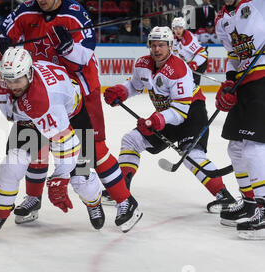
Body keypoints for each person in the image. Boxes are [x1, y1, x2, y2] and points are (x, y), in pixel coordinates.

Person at [0, 48, 141, 239]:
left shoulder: (43, 99)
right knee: (11, 165)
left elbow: (67, 145)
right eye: (8, 80)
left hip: (73, 117)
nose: (12, 86)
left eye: (17, 80)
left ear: (29, 73)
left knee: (80, 176)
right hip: (29, 117)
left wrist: (59, 179)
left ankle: (93, 202)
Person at [0, 0, 140, 229]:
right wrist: (2, 45)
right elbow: (5, 37)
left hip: (78, 93)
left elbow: (85, 55)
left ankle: (124, 200)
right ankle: (33, 199)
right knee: (34, 143)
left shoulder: (75, 14)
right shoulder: (25, 10)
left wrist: (68, 47)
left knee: (91, 150)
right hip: (39, 90)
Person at [102, 26, 236, 214]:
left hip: (191, 113)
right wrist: (122, 91)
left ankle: (224, 196)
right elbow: (135, 84)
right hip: (166, 114)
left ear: (170, 46)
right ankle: (121, 189)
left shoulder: (178, 69)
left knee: (192, 155)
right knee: (131, 140)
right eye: (154, 45)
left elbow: (181, 111)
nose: (157, 49)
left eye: (162, 45)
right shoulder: (142, 63)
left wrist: (155, 121)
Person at [214, 0, 265, 239]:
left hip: (263, 80)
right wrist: (229, 81)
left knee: (254, 147)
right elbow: (234, 54)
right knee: (235, 147)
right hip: (245, 84)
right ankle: (249, 202)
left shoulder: (257, 4)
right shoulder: (221, 19)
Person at [172, 17, 208, 86]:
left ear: (184, 28)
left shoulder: (188, 39)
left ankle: (197, 96)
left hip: (200, 62)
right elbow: (174, 53)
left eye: (180, 28)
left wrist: (194, 63)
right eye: (176, 28)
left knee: (191, 85)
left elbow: (202, 53)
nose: (178, 31)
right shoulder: (174, 39)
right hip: (189, 63)